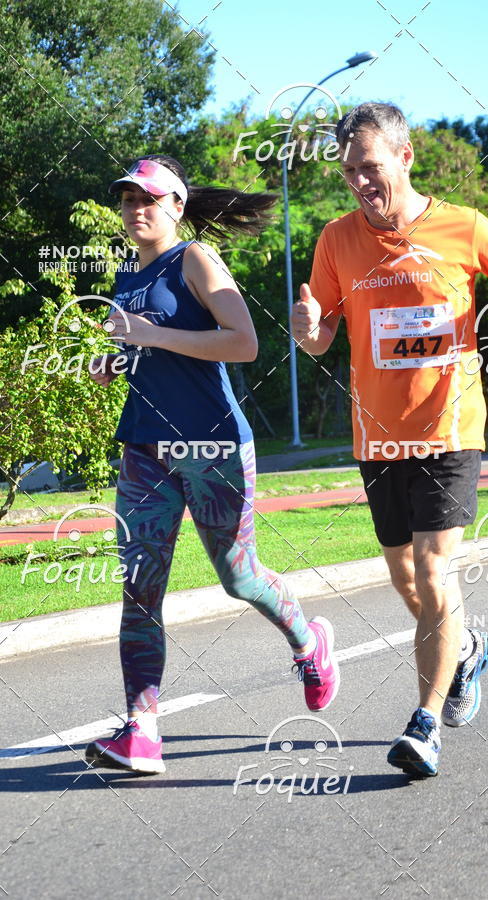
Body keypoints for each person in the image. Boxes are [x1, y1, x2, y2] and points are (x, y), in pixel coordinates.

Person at [291, 103, 488, 777]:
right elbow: (321, 337)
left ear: (405, 158)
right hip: (377, 438)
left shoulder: (463, 226)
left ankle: (425, 723)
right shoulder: (336, 240)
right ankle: (466, 646)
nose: (358, 182)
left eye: (370, 167)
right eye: (349, 171)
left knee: (436, 571)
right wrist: (305, 327)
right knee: (409, 581)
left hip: (449, 428)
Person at [85, 155, 340, 775]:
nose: (135, 209)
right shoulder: (126, 275)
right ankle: (141, 729)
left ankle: (309, 642)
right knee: (139, 588)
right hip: (145, 446)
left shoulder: (195, 259)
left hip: (213, 445)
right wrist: (116, 361)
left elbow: (244, 343)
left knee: (238, 576)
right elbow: (151, 355)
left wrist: (150, 334)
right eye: (126, 200)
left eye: (148, 198)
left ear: (176, 204)